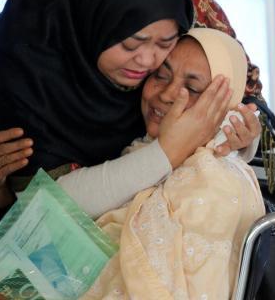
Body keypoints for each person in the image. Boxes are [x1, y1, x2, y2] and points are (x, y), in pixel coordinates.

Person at [0, 0, 262, 247]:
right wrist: (167, 151)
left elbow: (234, 88)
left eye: (166, 45)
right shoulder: (22, 69)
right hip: (11, 139)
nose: (147, 62)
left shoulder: (176, 0)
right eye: (130, 44)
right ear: (94, 22)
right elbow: (48, 204)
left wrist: (241, 136)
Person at [82, 28, 265, 299]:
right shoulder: (140, 149)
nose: (167, 94)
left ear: (226, 106)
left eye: (191, 88)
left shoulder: (211, 184)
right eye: (161, 75)